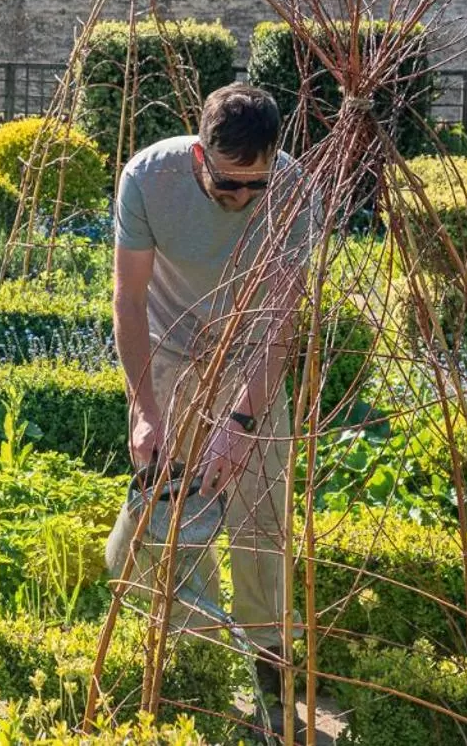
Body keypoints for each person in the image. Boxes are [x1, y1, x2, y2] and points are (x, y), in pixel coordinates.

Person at [103, 82, 313, 740]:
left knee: (262, 529)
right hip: (168, 361)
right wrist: (144, 408)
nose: (241, 198)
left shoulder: (290, 189)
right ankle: (203, 658)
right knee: (146, 542)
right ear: (200, 153)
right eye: (228, 182)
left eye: (254, 184)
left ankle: (271, 673)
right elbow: (129, 299)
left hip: (252, 366)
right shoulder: (148, 178)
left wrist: (242, 423)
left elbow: (281, 317)